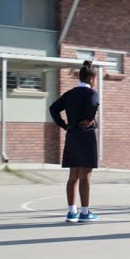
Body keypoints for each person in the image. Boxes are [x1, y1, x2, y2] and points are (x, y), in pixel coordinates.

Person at [49, 61, 101, 223]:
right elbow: (94, 105)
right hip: (86, 136)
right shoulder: (92, 93)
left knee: (73, 175)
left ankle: (72, 212)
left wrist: (64, 125)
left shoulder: (70, 93)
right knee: (85, 176)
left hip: (72, 135)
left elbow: (53, 108)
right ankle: (85, 213)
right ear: (92, 78)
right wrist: (91, 119)